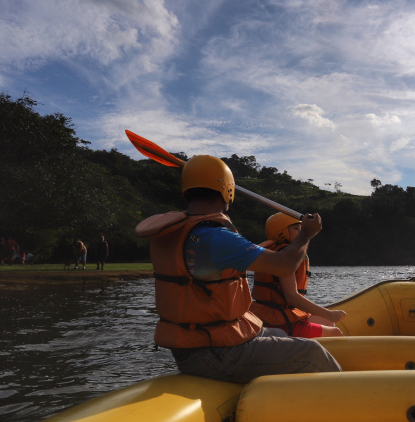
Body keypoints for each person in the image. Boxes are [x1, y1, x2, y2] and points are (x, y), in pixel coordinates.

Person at [135, 155, 341, 383]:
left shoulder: (175, 232)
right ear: (227, 190)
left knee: (279, 334)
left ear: (187, 191)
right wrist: (306, 234)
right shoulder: (215, 237)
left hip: (194, 345)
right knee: (312, 353)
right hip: (215, 353)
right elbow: (285, 265)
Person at [251, 213, 346, 338]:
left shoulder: (272, 252)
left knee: (328, 322)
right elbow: (292, 297)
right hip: (279, 322)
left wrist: (328, 317)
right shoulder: (284, 259)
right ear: (281, 232)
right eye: (296, 228)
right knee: (335, 333)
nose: (302, 231)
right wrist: (330, 314)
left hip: (275, 316)